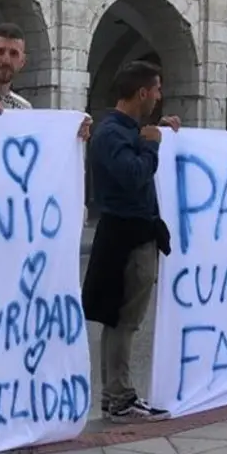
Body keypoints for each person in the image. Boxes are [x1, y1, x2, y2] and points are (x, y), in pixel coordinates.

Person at [82, 60, 179, 423]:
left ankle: (114, 395)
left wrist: (161, 134)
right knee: (126, 319)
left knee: (117, 317)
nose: (158, 96)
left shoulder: (130, 130)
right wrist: (152, 146)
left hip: (132, 233)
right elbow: (133, 174)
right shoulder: (111, 134)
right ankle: (121, 397)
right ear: (142, 92)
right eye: (156, 90)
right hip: (127, 237)